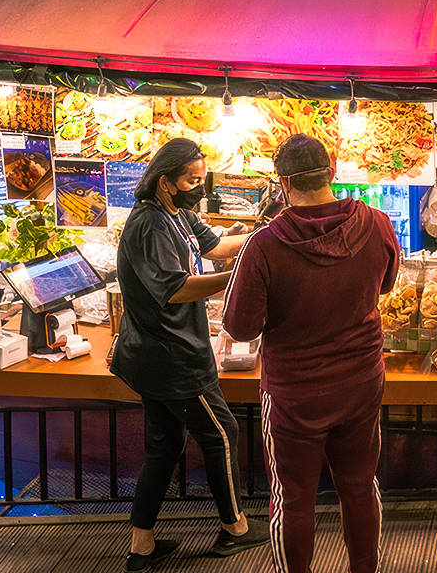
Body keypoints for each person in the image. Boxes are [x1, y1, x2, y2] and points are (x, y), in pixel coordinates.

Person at [222, 134, 400, 573]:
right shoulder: (376, 223)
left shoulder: (263, 245)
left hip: (294, 393)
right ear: (332, 173)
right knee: (360, 486)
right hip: (361, 381)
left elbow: (239, 327)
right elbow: (386, 285)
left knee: (292, 497)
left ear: (282, 183)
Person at [111, 138, 270, 571]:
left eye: (202, 180)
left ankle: (140, 546)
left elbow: (215, 245)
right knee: (221, 433)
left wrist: (263, 235)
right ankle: (234, 528)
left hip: (157, 355)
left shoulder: (177, 214)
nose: (198, 188)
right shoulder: (149, 225)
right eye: (191, 181)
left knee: (164, 448)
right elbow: (177, 288)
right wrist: (235, 277)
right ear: (166, 183)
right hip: (171, 358)